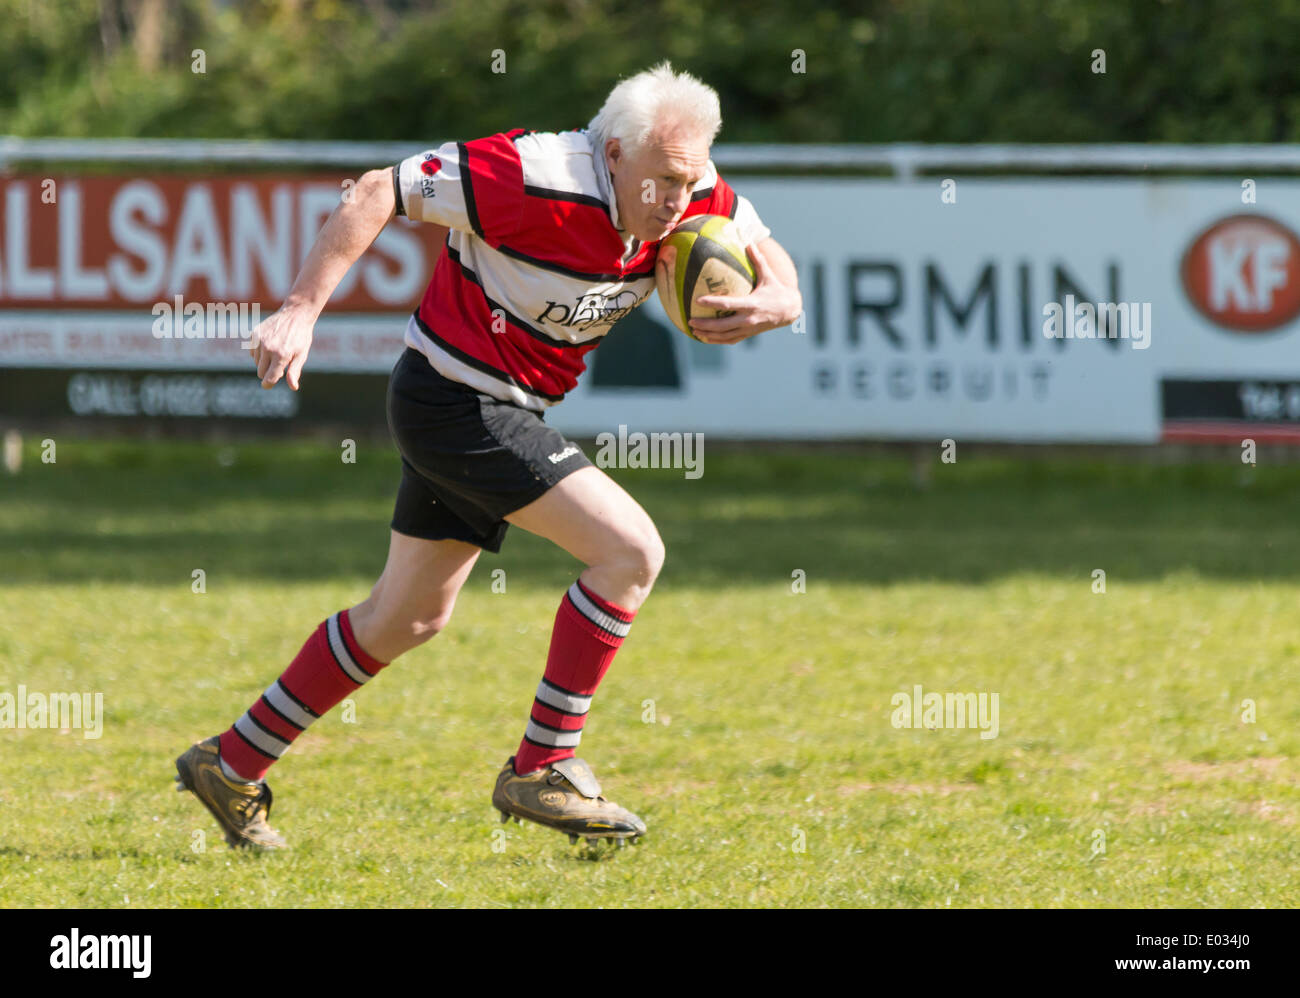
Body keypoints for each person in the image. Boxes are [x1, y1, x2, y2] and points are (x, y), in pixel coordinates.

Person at [174, 61, 803, 849]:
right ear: (613, 153)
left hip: (499, 406)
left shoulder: (688, 186)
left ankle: (229, 763)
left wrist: (783, 300)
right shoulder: (530, 174)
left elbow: (765, 249)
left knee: (405, 618)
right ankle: (543, 765)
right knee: (630, 552)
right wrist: (301, 309)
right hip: (454, 401)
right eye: (662, 182)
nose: (676, 202)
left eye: (688, 181)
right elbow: (377, 189)